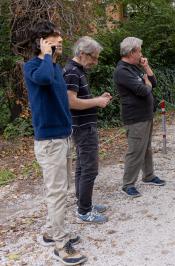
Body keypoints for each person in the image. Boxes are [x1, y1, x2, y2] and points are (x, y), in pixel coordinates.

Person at [23, 20, 87, 265]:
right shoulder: (33, 66)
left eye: (59, 37)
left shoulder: (53, 66)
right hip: (50, 141)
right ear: (41, 42)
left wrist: (49, 57)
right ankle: (60, 245)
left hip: (62, 136)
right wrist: (45, 55)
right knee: (57, 193)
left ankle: (51, 232)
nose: (60, 40)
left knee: (62, 189)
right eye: (54, 37)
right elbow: (44, 79)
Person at [64, 36, 112, 224]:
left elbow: (79, 99)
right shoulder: (72, 72)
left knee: (83, 167)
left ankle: (83, 202)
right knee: (89, 169)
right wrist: (97, 102)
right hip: (82, 127)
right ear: (82, 53)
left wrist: (98, 99)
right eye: (94, 57)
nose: (95, 61)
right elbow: (70, 101)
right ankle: (84, 211)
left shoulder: (77, 70)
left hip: (82, 125)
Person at [114, 37, 166, 197]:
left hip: (146, 114)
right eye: (140, 51)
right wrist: (147, 85)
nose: (142, 54)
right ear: (131, 52)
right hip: (135, 117)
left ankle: (148, 175)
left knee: (146, 147)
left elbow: (153, 83)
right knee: (136, 150)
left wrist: (146, 67)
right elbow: (144, 90)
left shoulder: (135, 67)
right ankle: (128, 184)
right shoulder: (122, 70)